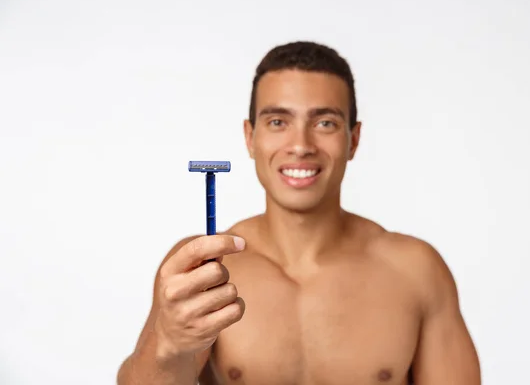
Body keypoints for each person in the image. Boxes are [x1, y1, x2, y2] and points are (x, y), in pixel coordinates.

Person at [117, 41, 481, 385]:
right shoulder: (204, 267)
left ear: (353, 139)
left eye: (325, 123)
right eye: (278, 121)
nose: (301, 146)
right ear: (250, 137)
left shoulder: (416, 270)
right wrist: (169, 344)